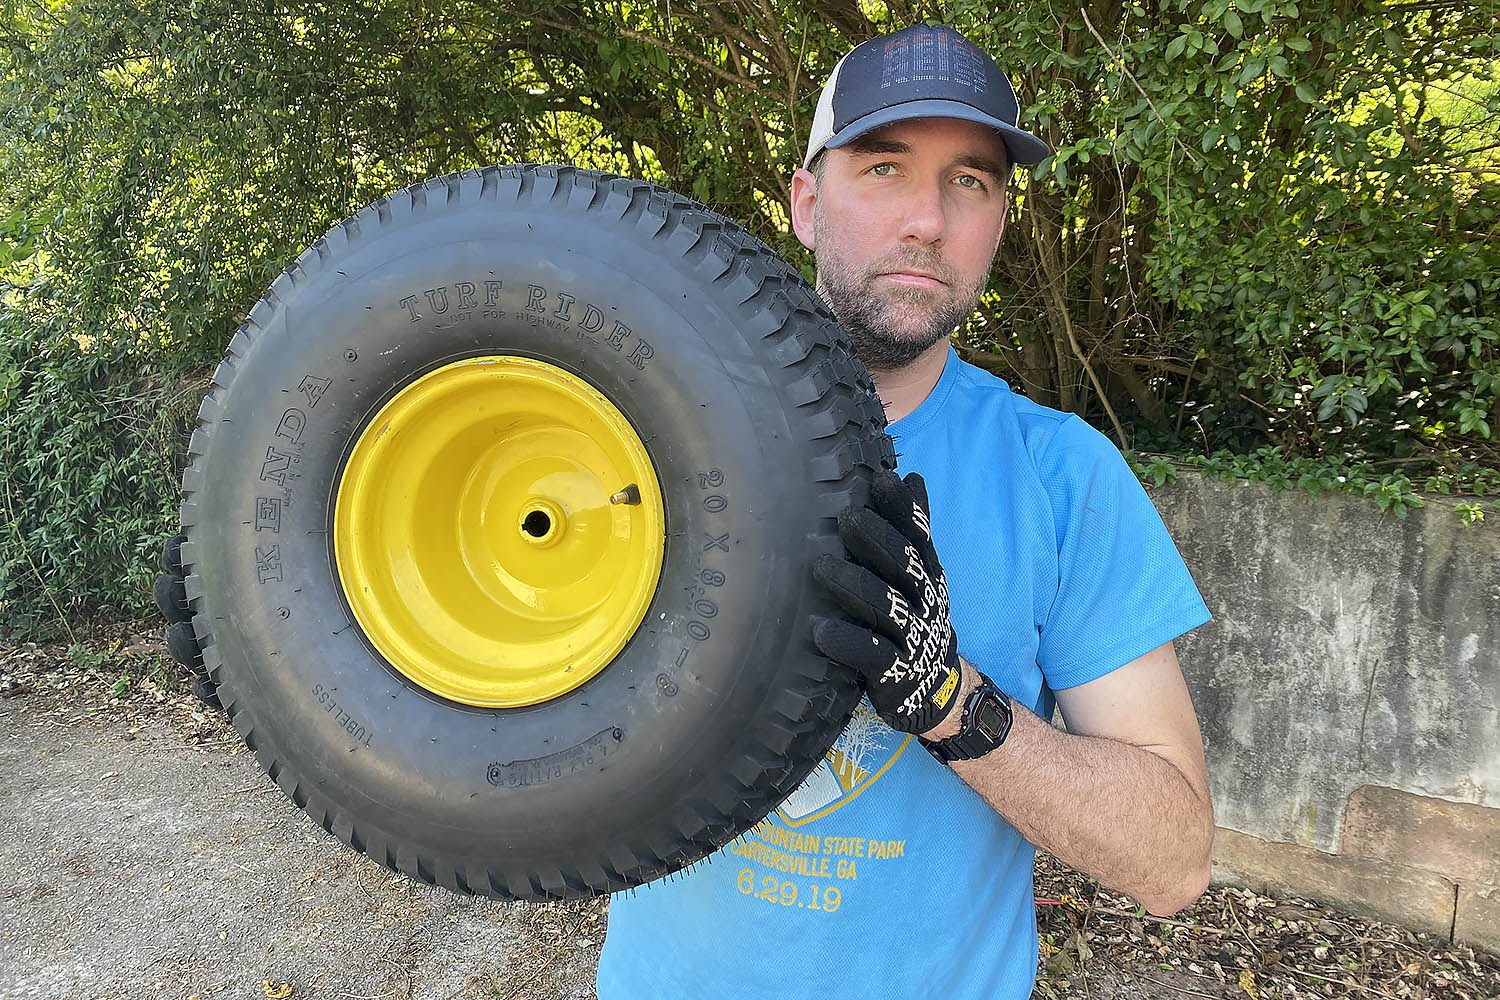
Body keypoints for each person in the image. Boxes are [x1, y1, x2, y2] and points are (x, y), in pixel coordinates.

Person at [595, 23, 1214, 999]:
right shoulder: (629, 430)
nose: (928, 218)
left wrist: (949, 699)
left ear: (999, 222)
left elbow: (1174, 858)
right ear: (806, 202)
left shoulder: (1061, 475)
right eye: (884, 168)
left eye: (970, 180)